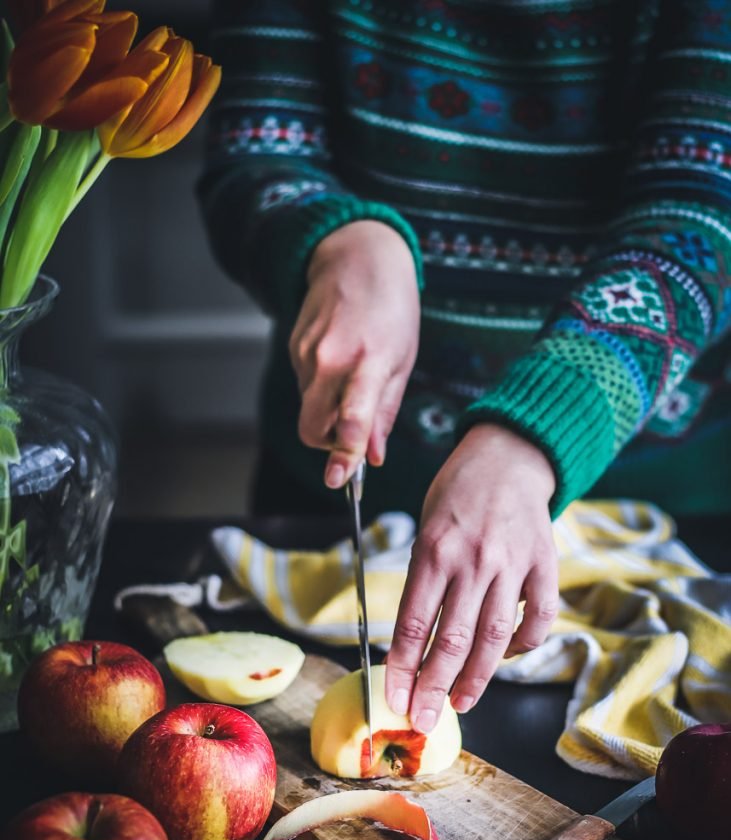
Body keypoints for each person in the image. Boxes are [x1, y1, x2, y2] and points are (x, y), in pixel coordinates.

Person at [198, 0, 731, 736]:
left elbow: (704, 216)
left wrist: (536, 432)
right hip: (329, 502)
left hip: (666, 518)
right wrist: (338, 240)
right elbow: (253, 154)